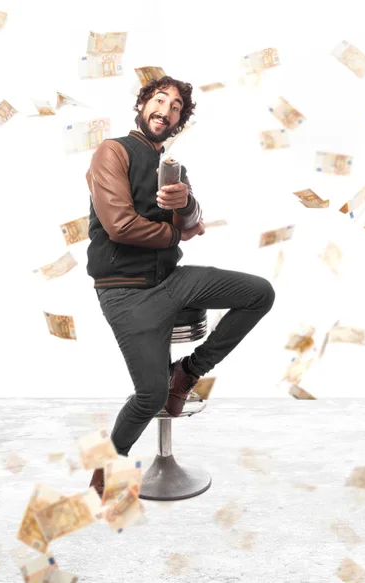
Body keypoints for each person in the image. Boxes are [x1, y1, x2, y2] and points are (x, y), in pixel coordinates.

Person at [85, 76, 276, 497]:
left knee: (259, 293)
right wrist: (174, 234)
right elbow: (119, 226)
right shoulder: (111, 152)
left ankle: (186, 373)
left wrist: (185, 205)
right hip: (124, 290)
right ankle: (108, 463)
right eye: (159, 100)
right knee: (148, 395)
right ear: (142, 105)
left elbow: (195, 227)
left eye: (175, 108)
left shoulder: (175, 170)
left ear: (179, 122)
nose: (166, 110)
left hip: (172, 280)